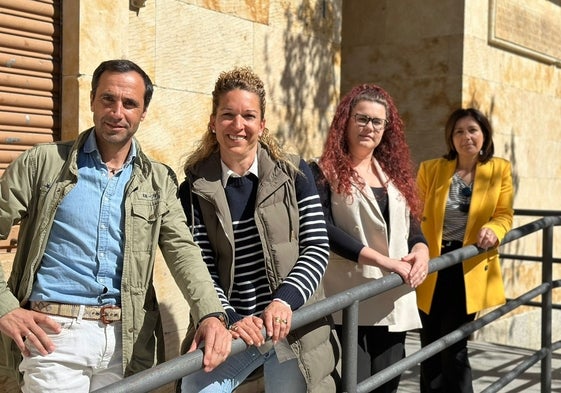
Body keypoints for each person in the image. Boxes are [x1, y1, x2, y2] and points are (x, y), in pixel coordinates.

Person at [0, 59, 232, 392]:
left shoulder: (158, 181)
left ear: (143, 112)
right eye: (108, 99)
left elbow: (183, 250)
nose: (117, 111)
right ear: (93, 100)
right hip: (54, 337)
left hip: (127, 344)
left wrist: (211, 313)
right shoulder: (44, 163)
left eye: (129, 103)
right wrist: (5, 307)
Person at [178, 66, 337, 393]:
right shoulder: (195, 188)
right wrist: (232, 318)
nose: (238, 125)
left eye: (249, 116)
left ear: (262, 125)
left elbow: (317, 247)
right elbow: (201, 266)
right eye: (228, 115)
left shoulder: (294, 173)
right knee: (194, 388)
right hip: (236, 329)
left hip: (290, 327)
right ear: (213, 121)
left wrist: (283, 302)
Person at [310, 84, 429, 393]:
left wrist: (422, 250)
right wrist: (382, 261)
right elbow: (325, 229)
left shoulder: (394, 174)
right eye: (361, 118)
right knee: (355, 386)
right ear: (345, 121)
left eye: (377, 121)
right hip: (351, 301)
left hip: (394, 297)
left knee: (388, 386)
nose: (369, 127)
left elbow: (412, 225)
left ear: (386, 128)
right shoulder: (322, 171)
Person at [416, 107, 514, 393]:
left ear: (484, 135)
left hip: (467, 266)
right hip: (432, 267)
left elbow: (504, 214)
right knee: (429, 348)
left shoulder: (499, 169)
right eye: (459, 131)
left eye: (472, 130)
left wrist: (494, 230)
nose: (466, 137)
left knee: (454, 347)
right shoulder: (431, 169)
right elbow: (414, 213)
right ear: (451, 137)